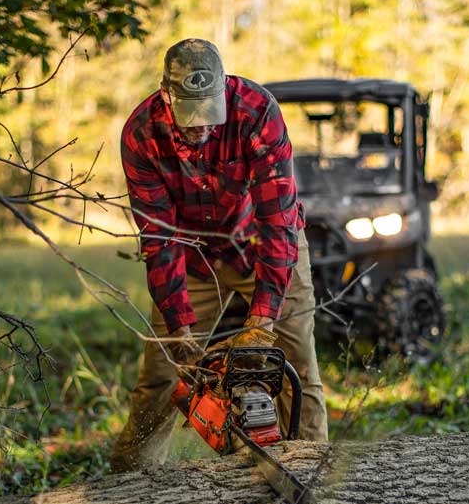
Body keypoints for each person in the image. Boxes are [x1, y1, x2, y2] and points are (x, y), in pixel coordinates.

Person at [110, 38, 327, 472]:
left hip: (261, 244)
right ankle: (132, 482)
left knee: (296, 362)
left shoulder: (256, 111)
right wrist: (183, 329)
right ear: (166, 95)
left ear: (224, 89)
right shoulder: (140, 134)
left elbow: (278, 221)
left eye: (211, 117)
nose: (203, 130)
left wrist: (262, 320)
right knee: (162, 374)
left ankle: (310, 468)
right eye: (191, 119)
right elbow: (159, 238)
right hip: (190, 255)